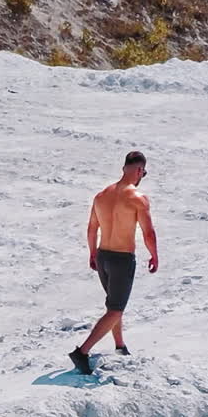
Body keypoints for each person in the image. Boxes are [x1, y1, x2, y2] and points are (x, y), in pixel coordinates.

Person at [69, 150, 159, 375]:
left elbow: (92, 228)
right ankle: (82, 352)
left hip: (102, 256)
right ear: (139, 170)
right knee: (116, 309)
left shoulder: (101, 196)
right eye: (143, 173)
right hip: (121, 259)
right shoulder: (138, 198)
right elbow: (148, 233)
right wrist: (154, 255)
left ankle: (120, 345)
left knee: (113, 305)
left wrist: (92, 254)